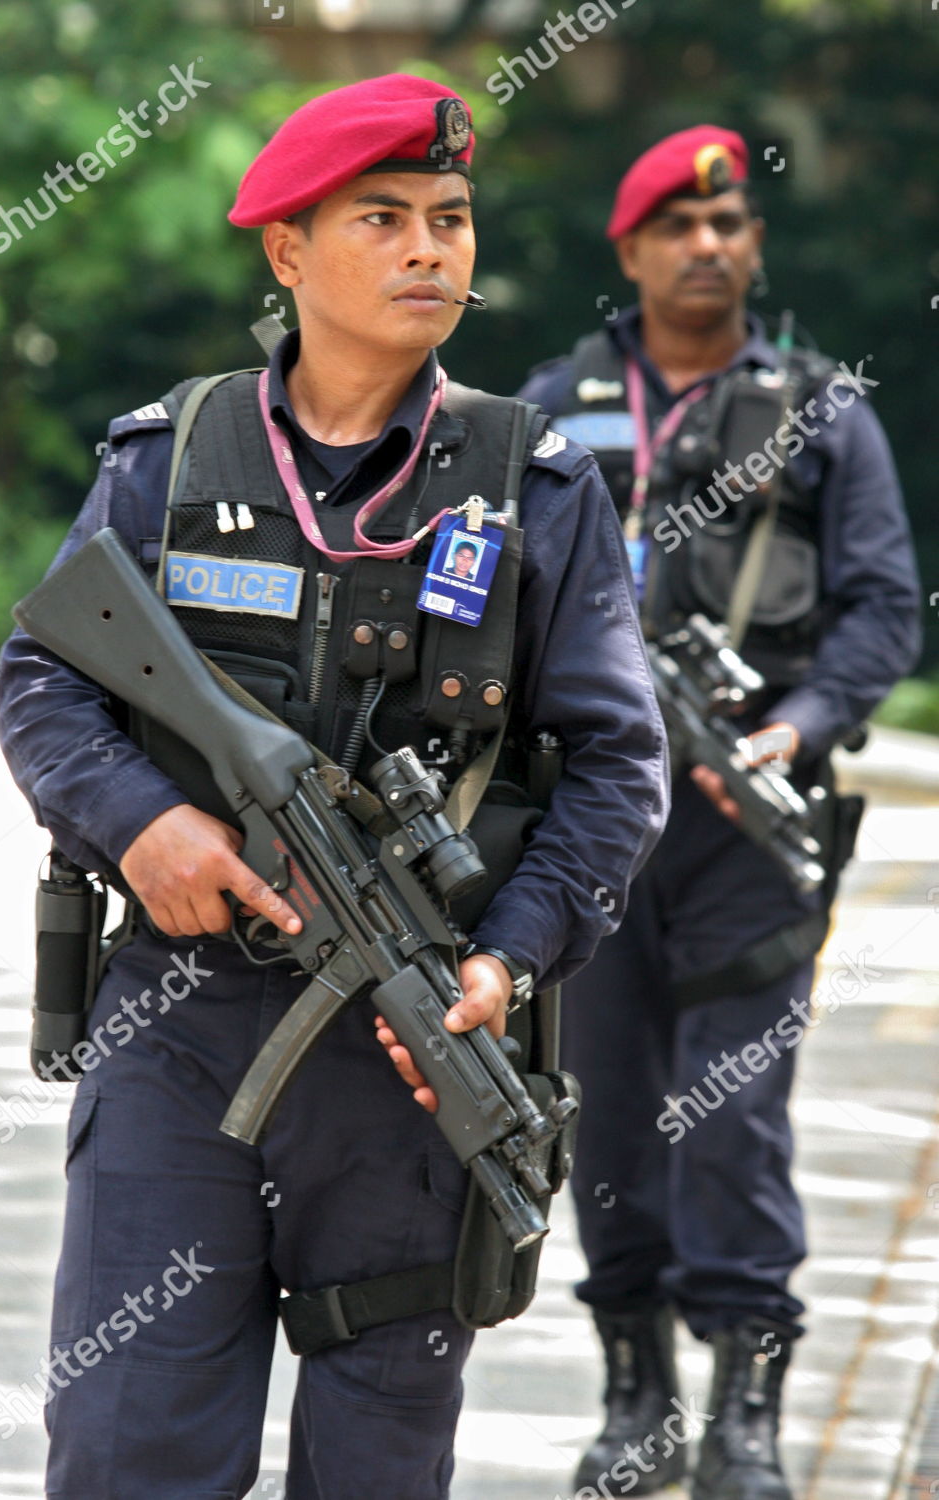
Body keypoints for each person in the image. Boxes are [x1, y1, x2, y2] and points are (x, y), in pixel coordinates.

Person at [0, 74, 668, 1500]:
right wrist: (144, 822)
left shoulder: (533, 489)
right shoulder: (167, 460)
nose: (432, 249)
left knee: (377, 1467)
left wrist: (508, 959)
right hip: (184, 1031)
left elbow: (618, 767)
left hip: (416, 1065)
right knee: (128, 1452)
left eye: (452, 219)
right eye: (385, 218)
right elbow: (47, 682)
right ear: (289, 255)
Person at [517, 125, 921, 1500]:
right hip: (588, 831)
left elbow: (883, 607)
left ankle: (746, 1415)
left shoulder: (819, 407)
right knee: (613, 1116)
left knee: (732, 1121)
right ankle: (640, 1403)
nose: (709, 246)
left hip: (750, 829)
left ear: (753, 244)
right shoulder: (552, 404)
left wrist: (791, 729)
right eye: (679, 229)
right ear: (628, 252)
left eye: (731, 224)